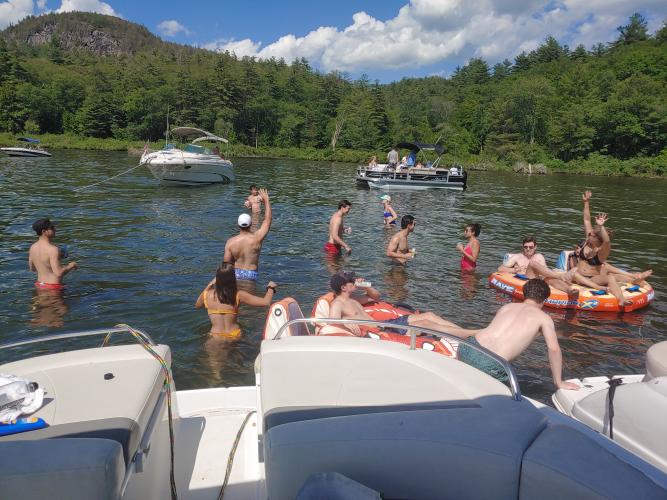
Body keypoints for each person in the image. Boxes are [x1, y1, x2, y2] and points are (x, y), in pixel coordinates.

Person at [447, 278, 580, 390]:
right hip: (490, 363)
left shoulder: (506, 307)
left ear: (524, 294)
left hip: (468, 348)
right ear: (544, 300)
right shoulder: (543, 318)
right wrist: (559, 382)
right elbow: (553, 348)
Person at [569, 191, 652, 306]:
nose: (589, 235)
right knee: (614, 274)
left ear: (598, 240)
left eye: (592, 235)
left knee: (610, 277)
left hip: (591, 279)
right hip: (577, 277)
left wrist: (602, 226)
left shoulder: (602, 251)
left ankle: (621, 299)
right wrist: (586, 202)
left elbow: (607, 241)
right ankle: (634, 278)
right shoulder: (588, 241)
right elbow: (587, 220)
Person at [328, 270, 463, 336]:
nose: (354, 281)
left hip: (387, 324)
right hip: (383, 331)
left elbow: (376, 297)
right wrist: (346, 324)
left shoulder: (353, 300)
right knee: (426, 324)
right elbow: (332, 322)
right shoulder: (338, 304)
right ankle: (472, 334)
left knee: (429, 315)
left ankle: (465, 333)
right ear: (343, 287)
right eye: (351, 281)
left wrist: (365, 285)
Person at [196, 262, 277, 338]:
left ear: (217, 278)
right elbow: (266, 302)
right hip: (235, 335)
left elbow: (197, 305)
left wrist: (210, 284)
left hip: (216, 336)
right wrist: (271, 287)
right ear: (233, 278)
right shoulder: (238, 295)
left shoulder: (206, 295)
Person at [224, 188, 272, 281]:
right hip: (251, 273)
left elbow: (226, 265)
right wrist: (266, 201)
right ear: (250, 224)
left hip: (236, 273)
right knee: (250, 292)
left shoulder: (230, 242)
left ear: (238, 225)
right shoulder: (257, 238)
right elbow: (268, 220)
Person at [28, 218, 77, 290]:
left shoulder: (33, 247)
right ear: (44, 231)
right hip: (53, 287)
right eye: (52, 228)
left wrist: (54, 259)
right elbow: (58, 273)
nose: (55, 230)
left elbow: (32, 268)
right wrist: (71, 265)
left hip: (40, 285)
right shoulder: (53, 249)